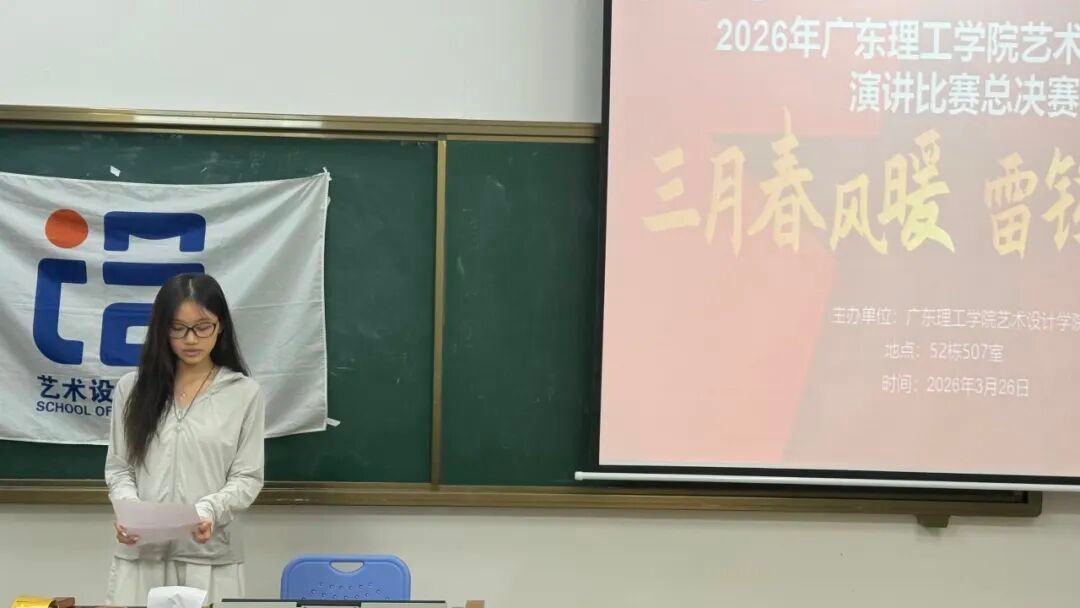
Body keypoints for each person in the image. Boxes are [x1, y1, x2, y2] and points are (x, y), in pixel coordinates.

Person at [104, 273, 265, 603]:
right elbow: (120, 468)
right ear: (162, 329)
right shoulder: (132, 389)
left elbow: (247, 477)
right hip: (142, 554)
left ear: (220, 325)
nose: (191, 339)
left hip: (210, 555)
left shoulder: (244, 393)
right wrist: (130, 512)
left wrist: (209, 510)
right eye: (178, 328)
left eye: (202, 327)